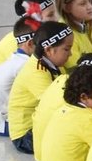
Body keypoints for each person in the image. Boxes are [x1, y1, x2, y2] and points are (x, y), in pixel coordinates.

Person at [8, 23, 74, 154]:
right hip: (25, 136)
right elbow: (54, 105)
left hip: (38, 125)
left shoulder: (52, 63)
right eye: (67, 49)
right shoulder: (36, 72)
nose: (71, 54)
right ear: (49, 50)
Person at [0, 18, 41, 136]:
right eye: (42, 43)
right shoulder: (24, 65)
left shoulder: (14, 60)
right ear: (30, 43)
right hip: (1, 123)